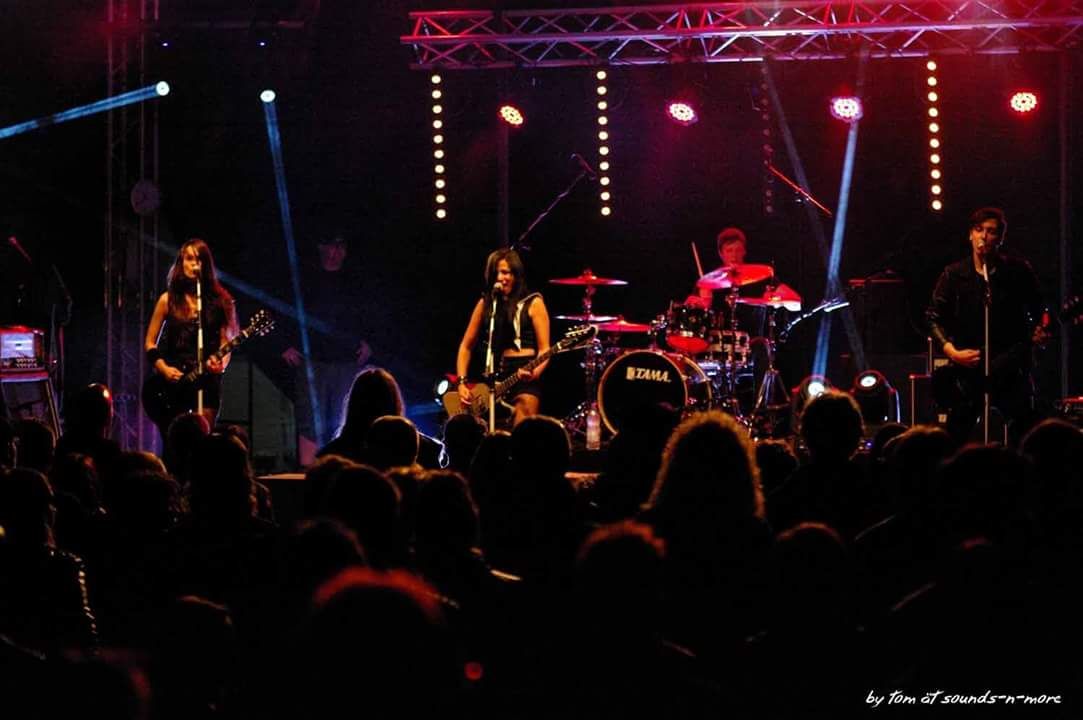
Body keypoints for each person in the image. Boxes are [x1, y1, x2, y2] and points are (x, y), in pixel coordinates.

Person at [926, 207, 1048, 444]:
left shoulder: (1017, 272)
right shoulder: (953, 275)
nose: (983, 236)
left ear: (1000, 238)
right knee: (955, 436)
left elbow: (1041, 309)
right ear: (970, 235)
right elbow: (932, 317)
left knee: (1026, 434)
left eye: (991, 231)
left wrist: (1041, 330)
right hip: (969, 367)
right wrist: (952, 351)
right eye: (978, 229)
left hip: (1010, 367)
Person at [281, 231, 372, 465]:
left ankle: (344, 470)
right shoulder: (304, 280)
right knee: (310, 421)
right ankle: (308, 472)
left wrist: (369, 344)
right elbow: (282, 311)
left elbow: (371, 314)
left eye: (340, 247)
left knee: (344, 419)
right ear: (321, 247)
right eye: (330, 246)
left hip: (346, 361)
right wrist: (284, 345)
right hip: (311, 361)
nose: (334, 252)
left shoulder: (355, 282)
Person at [144, 239, 238, 435]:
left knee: (203, 436)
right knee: (175, 438)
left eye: (199, 259)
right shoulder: (167, 300)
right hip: (174, 380)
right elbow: (150, 343)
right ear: (181, 262)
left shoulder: (221, 302)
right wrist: (164, 369)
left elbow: (226, 342)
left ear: (206, 265)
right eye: (189, 259)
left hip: (207, 380)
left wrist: (221, 364)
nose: (194, 264)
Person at [455, 248, 550, 427]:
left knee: (523, 422)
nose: (500, 278)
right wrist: (461, 383)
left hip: (525, 373)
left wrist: (534, 372)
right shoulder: (485, 304)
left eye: (505, 272)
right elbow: (466, 346)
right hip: (495, 375)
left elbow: (545, 349)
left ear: (515, 274)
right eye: (496, 273)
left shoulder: (534, 302)